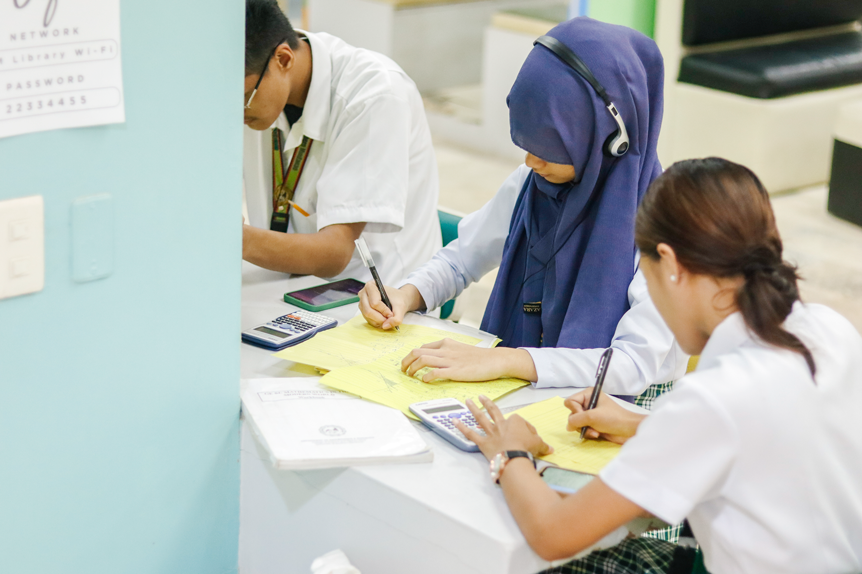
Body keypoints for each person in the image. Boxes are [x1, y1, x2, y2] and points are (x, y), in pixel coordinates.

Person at [452, 158, 862, 574]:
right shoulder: (830, 330)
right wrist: (639, 424)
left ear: (669, 265)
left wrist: (511, 453)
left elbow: (554, 535)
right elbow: (762, 437)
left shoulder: (714, 398)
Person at [359, 18, 686, 398]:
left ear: (611, 140)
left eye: (550, 149)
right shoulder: (532, 184)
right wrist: (407, 294)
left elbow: (631, 366)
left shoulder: (665, 224)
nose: (532, 161)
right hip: (527, 390)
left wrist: (507, 360)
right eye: (525, 144)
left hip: (621, 411)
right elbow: (460, 260)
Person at [242, 0, 441, 283]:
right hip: (285, 279)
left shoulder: (375, 96)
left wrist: (239, 240)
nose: (238, 113)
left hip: (380, 294)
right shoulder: (254, 79)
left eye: (244, 98)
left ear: (284, 60)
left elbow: (334, 253)